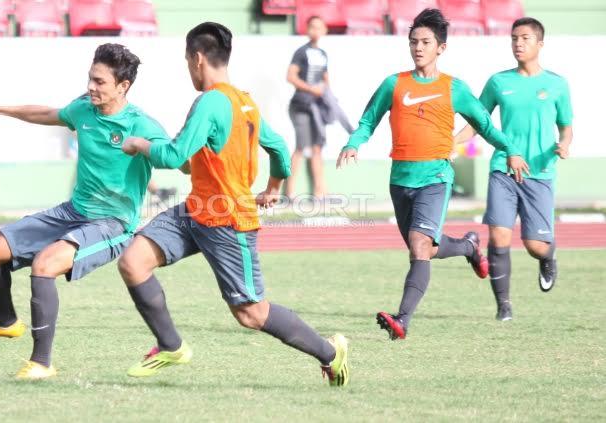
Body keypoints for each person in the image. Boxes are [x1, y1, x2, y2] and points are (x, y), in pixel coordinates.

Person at [119, 22, 349, 387]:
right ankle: (170, 345)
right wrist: (274, 186)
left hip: (228, 221)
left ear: (197, 59)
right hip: (197, 210)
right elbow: (278, 150)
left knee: (251, 315)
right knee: (134, 261)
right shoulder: (245, 102)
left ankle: (330, 352)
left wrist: (140, 145)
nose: (188, 69)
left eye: (186, 61)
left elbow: (176, 153)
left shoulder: (210, 101)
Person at [0, 43, 173, 379]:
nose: (91, 86)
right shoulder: (83, 109)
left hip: (112, 224)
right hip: (72, 211)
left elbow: (180, 158)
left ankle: (41, 363)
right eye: (90, 78)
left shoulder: (143, 126)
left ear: (123, 86)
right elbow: (46, 114)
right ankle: (5, 321)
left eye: (100, 82)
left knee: (45, 265)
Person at [337, 9, 529, 340]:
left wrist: (510, 149)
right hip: (400, 180)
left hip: (435, 179)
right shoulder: (394, 84)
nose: (418, 48)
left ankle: (402, 321)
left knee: (419, 246)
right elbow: (368, 120)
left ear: (441, 47)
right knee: (425, 248)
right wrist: (354, 143)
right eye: (413, 42)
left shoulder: (454, 88)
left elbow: (484, 125)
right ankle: (469, 247)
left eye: (425, 42)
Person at [454, 18, 572, 321]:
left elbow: (566, 127)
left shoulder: (557, 84)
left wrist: (565, 144)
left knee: (535, 245)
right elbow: (477, 123)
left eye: (525, 38)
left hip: (540, 172)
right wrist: (450, 144)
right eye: (514, 38)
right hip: (503, 169)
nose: (518, 43)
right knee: (499, 237)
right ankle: (503, 306)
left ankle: (548, 255)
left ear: (540, 44)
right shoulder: (498, 82)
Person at [286, 16, 352, 200]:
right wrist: (310, 89)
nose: (315, 31)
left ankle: (320, 192)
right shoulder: (301, 52)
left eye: (318, 27)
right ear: (307, 29)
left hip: (315, 107)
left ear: (324, 31)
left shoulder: (323, 54)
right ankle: (289, 193)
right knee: (300, 148)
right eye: (312, 27)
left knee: (317, 148)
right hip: (300, 105)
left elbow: (325, 80)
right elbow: (290, 76)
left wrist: (328, 99)